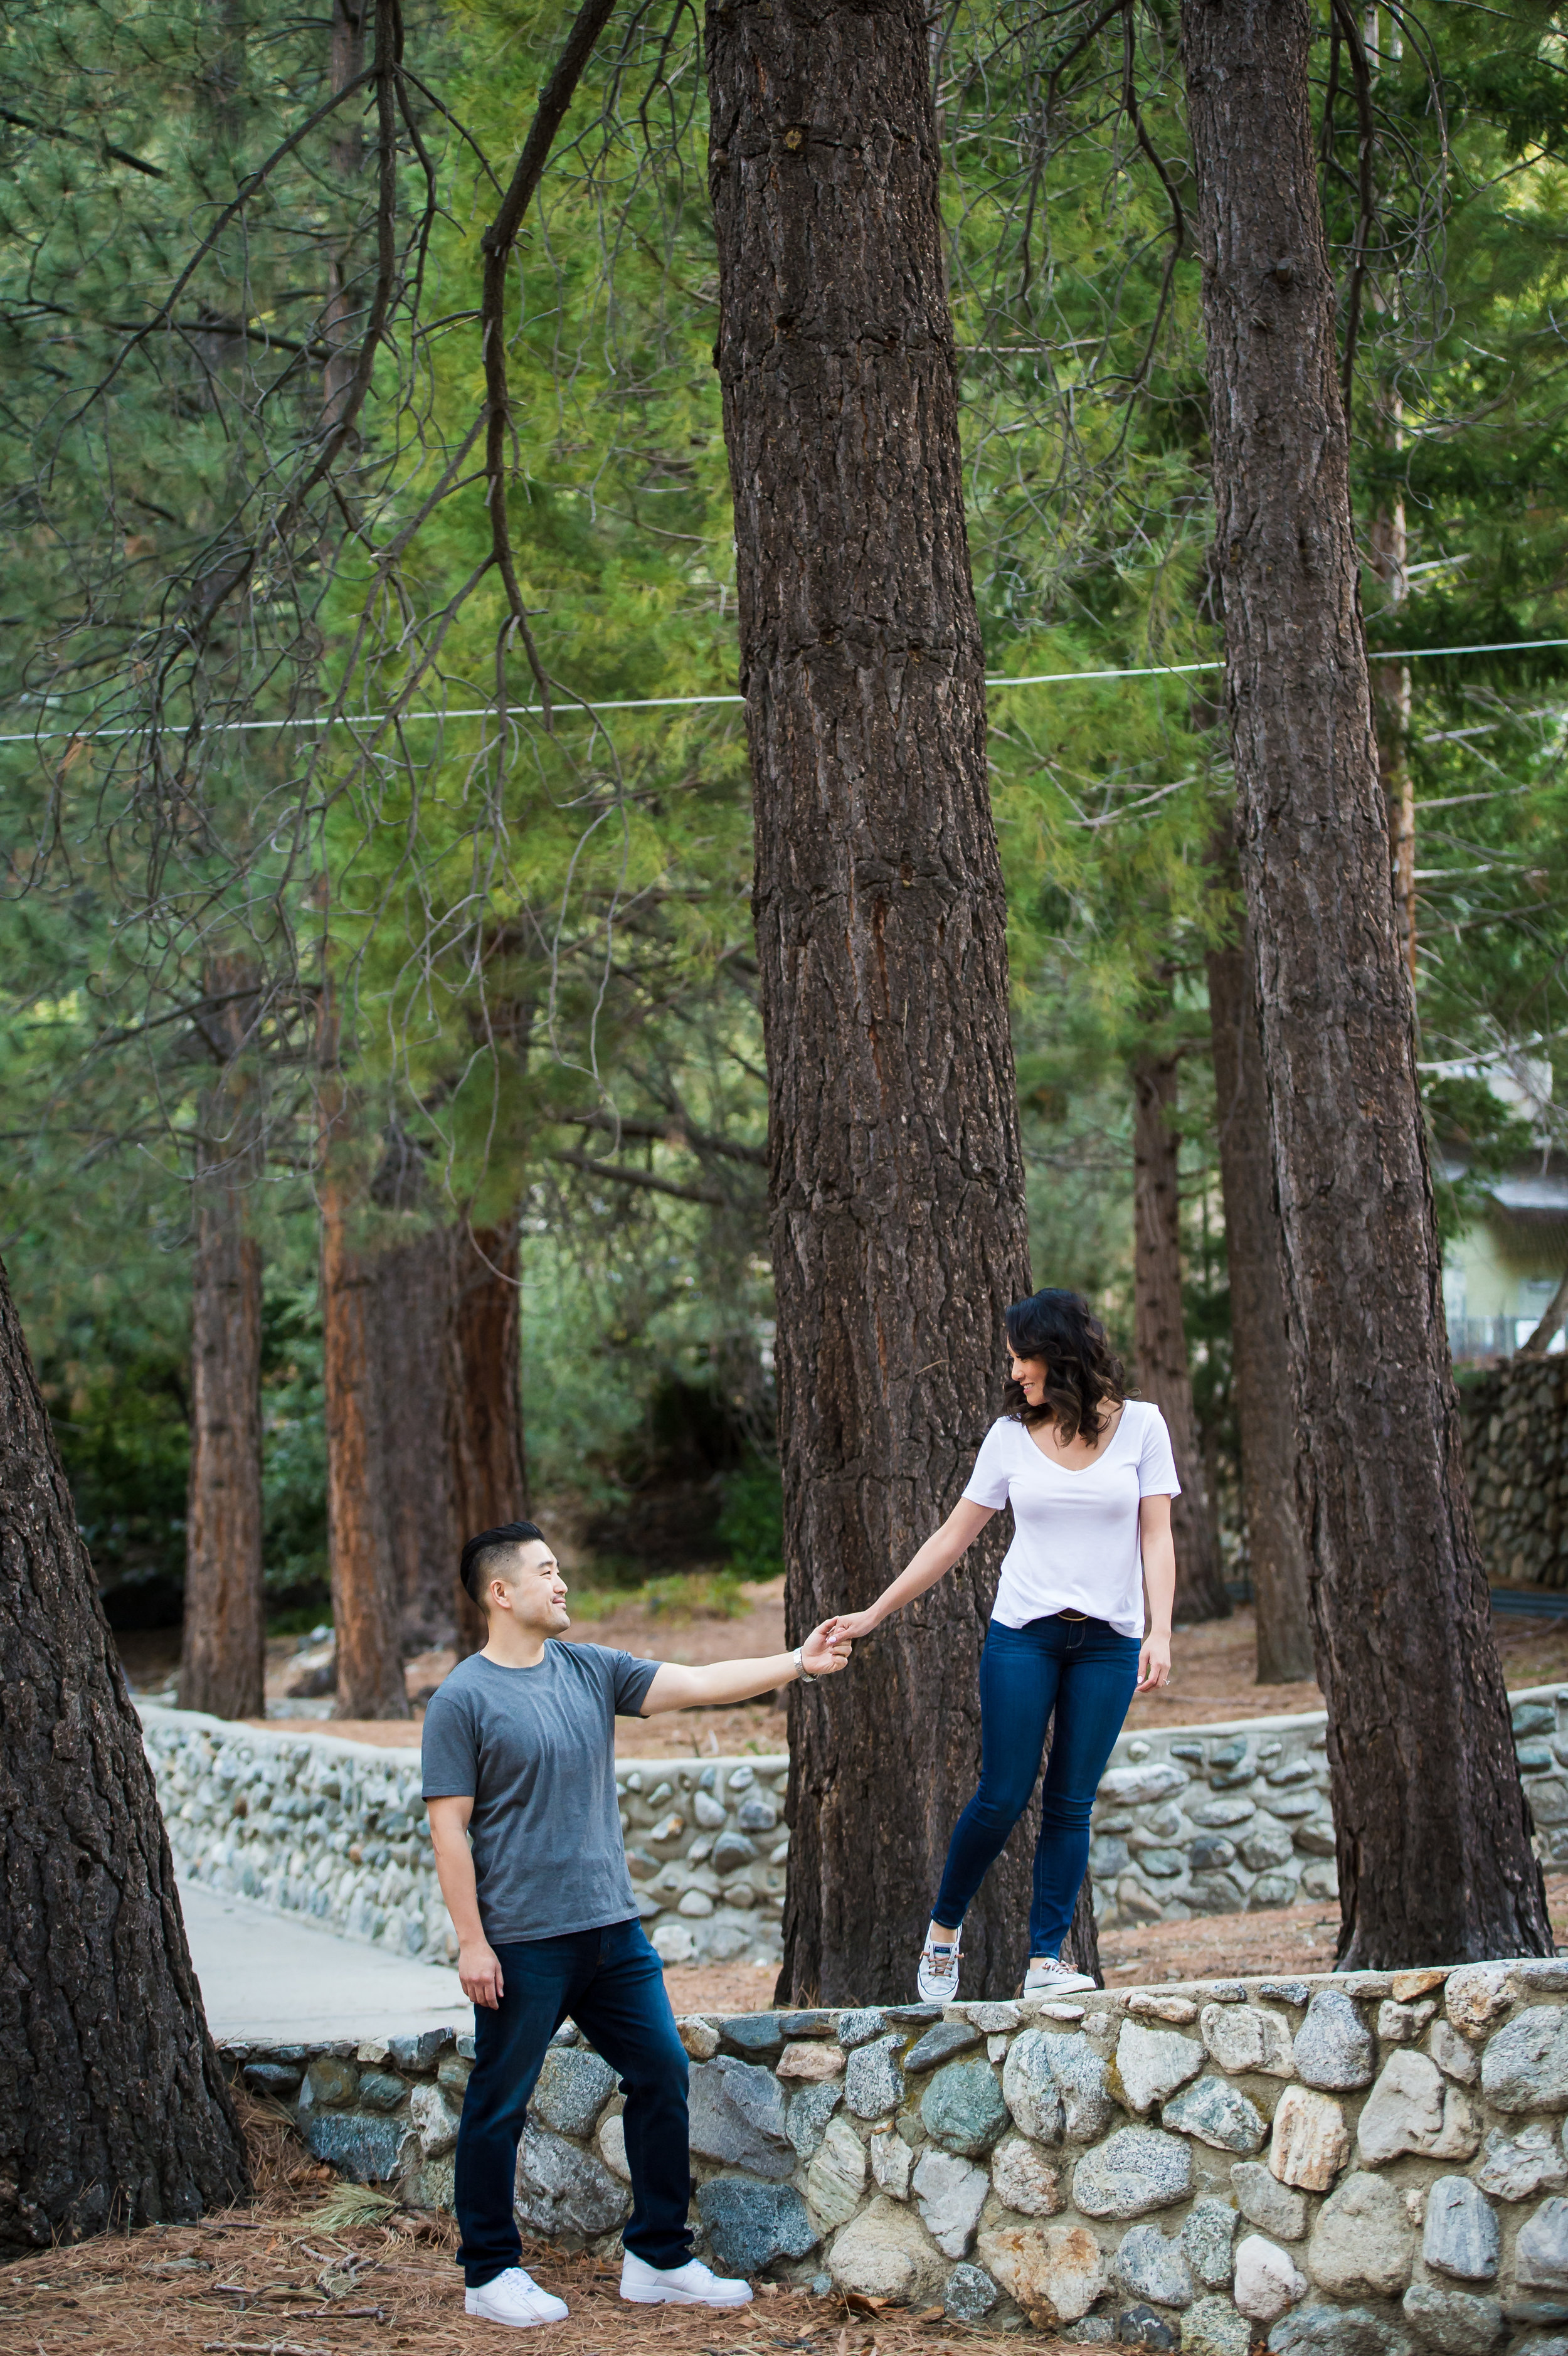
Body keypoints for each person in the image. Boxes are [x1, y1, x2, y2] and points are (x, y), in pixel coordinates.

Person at [421, 1519, 851, 2331]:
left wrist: (799, 1662)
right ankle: (488, 2272)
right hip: (522, 1942)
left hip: (613, 1934)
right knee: (499, 2102)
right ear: (500, 1592)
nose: (563, 1584)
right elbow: (450, 1830)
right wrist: (472, 1941)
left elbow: (697, 1681)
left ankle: (658, 2257)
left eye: (561, 1570)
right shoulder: (463, 1699)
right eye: (547, 1572)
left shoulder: (591, 1670)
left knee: (660, 2071)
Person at [823, 1287, 1176, 2005]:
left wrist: (1161, 1630)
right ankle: (944, 1930)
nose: (1013, 1372)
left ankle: (1046, 1958)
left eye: (1021, 1358)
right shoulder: (1009, 1437)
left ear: (1058, 1354)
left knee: (1071, 1801)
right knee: (1004, 1792)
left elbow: (1156, 1535)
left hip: (1109, 1641)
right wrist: (875, 1612)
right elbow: (953, 1537)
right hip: (1025, 1635)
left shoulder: (1142, 1426)